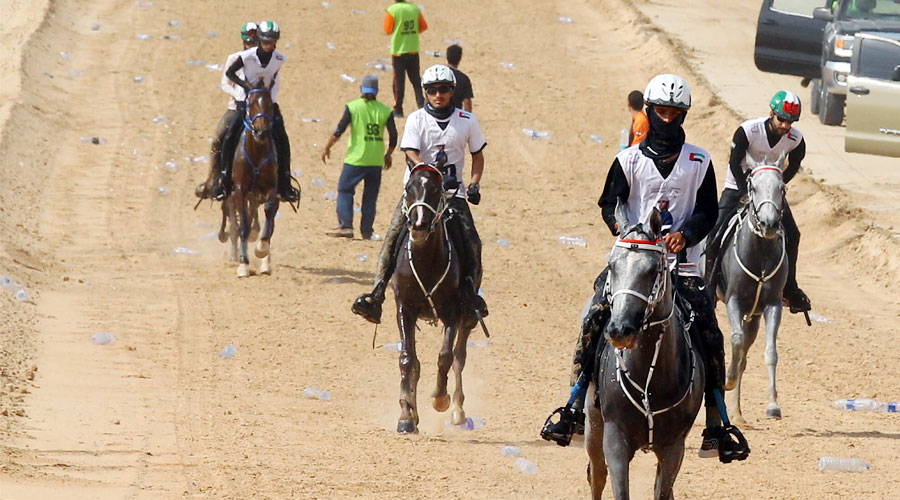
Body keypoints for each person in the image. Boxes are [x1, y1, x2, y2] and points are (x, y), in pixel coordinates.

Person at [540, 74, 750, 464]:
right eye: (662, 111)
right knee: (594, 318)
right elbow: (608, 202)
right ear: (650, 112)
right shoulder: (628, 159)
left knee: (710, 332)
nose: (668, 118)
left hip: (681, 268)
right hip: (632, 266)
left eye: (675, 112)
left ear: (683, 115)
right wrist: (625, 232)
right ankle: (573, 405)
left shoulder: (699, 161)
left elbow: (708, 210)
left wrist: (685, 234)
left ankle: (717, 423)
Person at [351, 64, 487, 325]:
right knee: (393, 236)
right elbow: (410, 154)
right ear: (425, 92)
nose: (439, 95)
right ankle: (377, 294)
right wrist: (430, 172)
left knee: (471, 241)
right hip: (418, 195)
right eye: (433, 90)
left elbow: (477, 155)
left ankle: (470, 295)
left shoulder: (467, 121)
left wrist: (474, 183)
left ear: (452, 91)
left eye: (444, 89)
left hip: (451, 195)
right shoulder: (416, 119)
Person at [705, 90, 810, 313]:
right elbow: (734, 161)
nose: (785, 125)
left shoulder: (796, 140)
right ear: (771, 113)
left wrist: (778, 186)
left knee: (793, 234)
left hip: (768, 193)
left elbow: (793, 165)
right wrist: (745, 190)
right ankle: (708, 286)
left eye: (790, 122)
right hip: (739, 187)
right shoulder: (748, 131)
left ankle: (790, 289)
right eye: (781, 119)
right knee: (714, 232)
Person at [223, 20, 299, 203]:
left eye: (272, 41)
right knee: (228, 136)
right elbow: (230, 74)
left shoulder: (279, 58)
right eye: (266, 41)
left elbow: (273, 79)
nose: (269, 45)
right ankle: (224, 180)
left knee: (282, 140)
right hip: (244, 103)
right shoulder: (247, 57)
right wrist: (245, 87)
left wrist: (270, 101)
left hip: (267, 104)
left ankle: (284, 183)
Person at [321, 75, 398, 239]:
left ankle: (346, 225)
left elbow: (339, 130)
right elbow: (394, 136)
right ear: (377, 91)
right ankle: (367, 231)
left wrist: (327, 147)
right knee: (370, 197)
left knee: (345, 189)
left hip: (356, 159)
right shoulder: (385, 110)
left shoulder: (353, 107)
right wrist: (388, 154)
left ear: (361, 89)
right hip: (376, 160)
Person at [195, 22, 258, 200]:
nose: (251, 45)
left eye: (255, 41)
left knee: (278, 137)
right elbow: (225, 83)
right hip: (236, 108)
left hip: (258, 109)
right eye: (249, 41)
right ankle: (213, 180)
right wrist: (239, 96)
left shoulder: (262, 60)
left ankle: (281, 179)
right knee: (218, 140)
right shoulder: (234, 58)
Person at [384, 1, 428, 118]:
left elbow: (388, 29)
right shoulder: (414, 8)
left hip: (399, 51)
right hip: (413, 49)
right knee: (416, 81)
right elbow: (423, 27)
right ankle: (421, 105)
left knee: (399, 81)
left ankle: (398, 109)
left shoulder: (393, 10)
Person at [446, 44, 473, 112]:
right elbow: (467, 105)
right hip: (455, 117)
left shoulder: (438, 74)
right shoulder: (464, 79)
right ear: (460, 58)